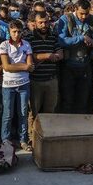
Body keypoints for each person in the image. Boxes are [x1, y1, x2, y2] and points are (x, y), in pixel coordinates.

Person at [56, 0, 93, 114]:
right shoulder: (65, 19)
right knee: (68, 100)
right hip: (68, 66)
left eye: (86, 13)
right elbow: (62, 41)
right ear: (75, 9)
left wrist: (91, 42)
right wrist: (81, 38)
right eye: (81, 13)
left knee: (82, 101)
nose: (84, 16)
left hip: (85, 65)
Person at [23, 11, 62, 142]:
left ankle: (47, 137)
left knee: (49, 111)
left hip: (51, 80)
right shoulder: (29, 37)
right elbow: (29, 56)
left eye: (46, 22)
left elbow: (60, 53)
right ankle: (31, 138)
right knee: (33, 112)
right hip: (35, 80)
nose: (44, 25)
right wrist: (46, 56)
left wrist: (56, 55)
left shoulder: (53, 36)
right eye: (41, 22)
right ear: (35, 23)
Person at [0, 20, 34, 151]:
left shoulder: (26, 44)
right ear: (9, 32)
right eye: (14, 31)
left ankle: (23, 140)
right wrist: (24, 66)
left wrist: (24, 67)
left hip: (24, 84)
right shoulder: (4, 45)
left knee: (23, 113)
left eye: (19, 31)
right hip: (8, 84)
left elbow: (30, 67)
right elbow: (6, 66)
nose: (16, 34)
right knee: (8, 114)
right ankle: (5, 140)